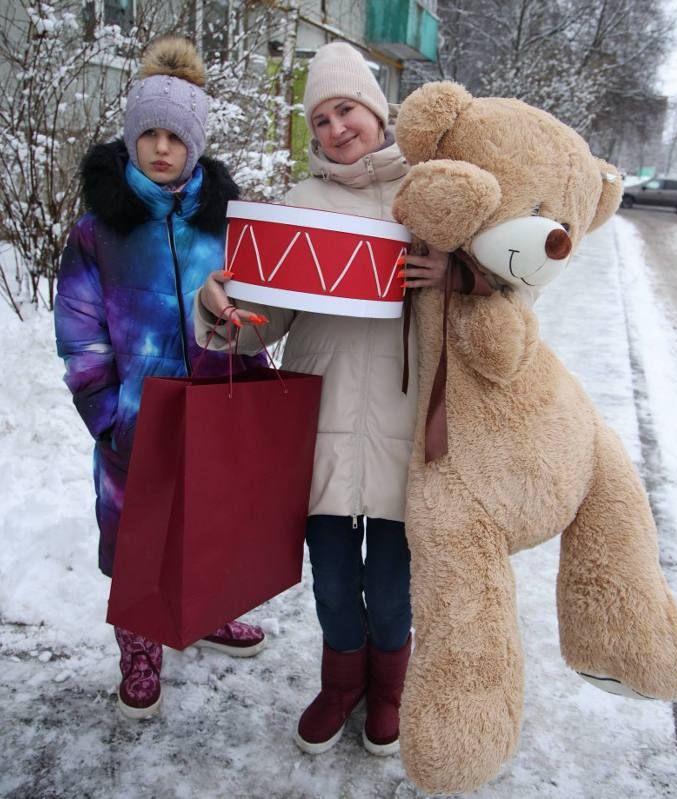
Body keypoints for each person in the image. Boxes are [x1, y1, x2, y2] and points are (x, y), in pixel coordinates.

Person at [194, 41, 449, 756]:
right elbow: (262, 324)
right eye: (322, 119)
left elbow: (500, 296)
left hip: (406, 432)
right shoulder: (299, 207)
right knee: (335, 581)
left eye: (348, 110)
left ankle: (389, 685)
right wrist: (222, 304)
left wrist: (452, 271)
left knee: (393, 587)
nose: (337, 128)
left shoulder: (427, 197)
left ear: (376, 110)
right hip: (321, 429)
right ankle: (340, 683)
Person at [54, 37, 267, 721]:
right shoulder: (99, 231)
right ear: (131, 136)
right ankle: (139, 646)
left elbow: (257, 313)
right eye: (148, 132)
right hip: (135, 421)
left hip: (212, 412)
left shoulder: (227, 225)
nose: (161, 147)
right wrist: (109, 414)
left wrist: (254, 385)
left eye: (176, 134)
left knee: (208, 527)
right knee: (138, 542)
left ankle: (202, 613)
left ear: (195, 141)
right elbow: (80, 335)